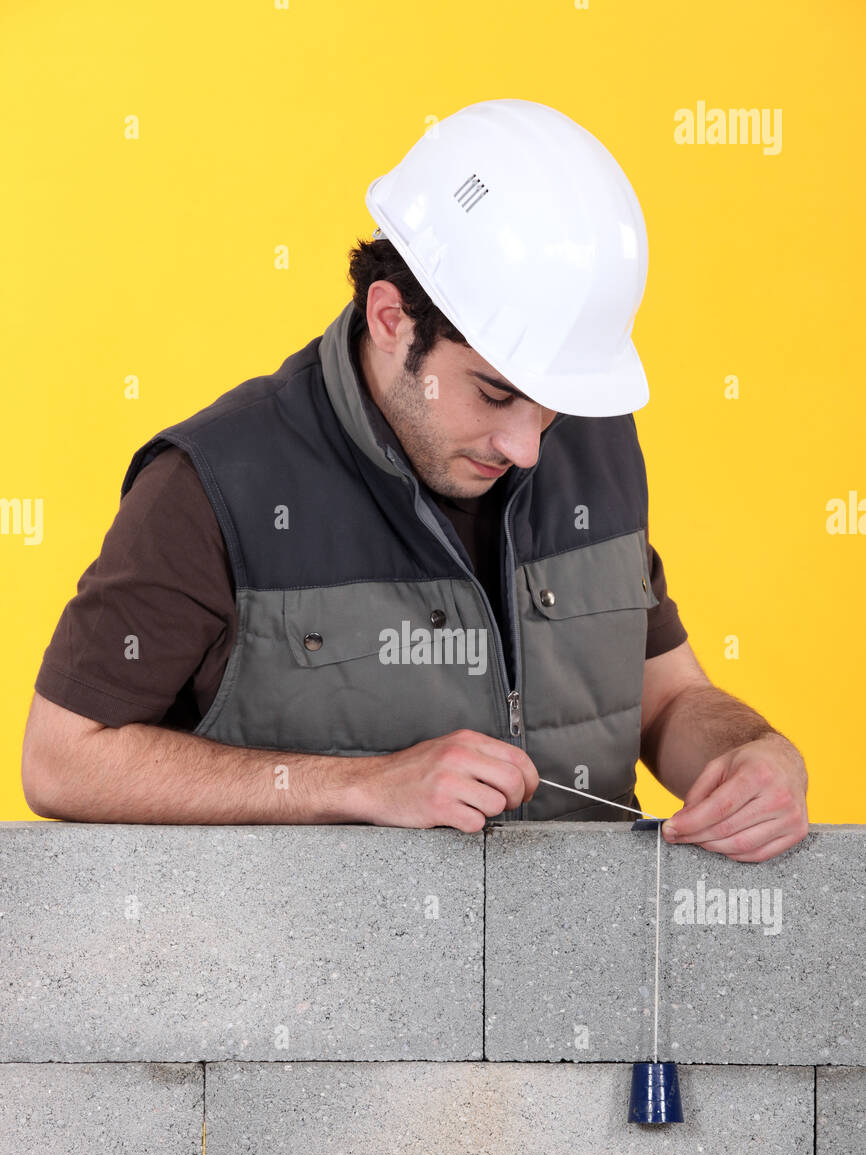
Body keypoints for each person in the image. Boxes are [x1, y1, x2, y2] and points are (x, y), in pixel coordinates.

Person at [22, 99, 808, 861]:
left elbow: (663, 699)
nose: (528, 447)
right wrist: (364, 786)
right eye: (494, 394)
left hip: (587, 980)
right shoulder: (214, 486)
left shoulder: (594, 440)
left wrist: (751, 754)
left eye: (552, 405)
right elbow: (62, 759)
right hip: (303, 987)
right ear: (392, 318)